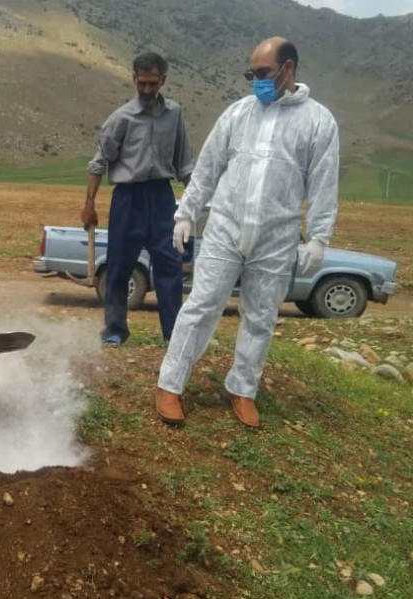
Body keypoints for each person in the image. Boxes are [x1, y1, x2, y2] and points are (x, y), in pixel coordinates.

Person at [155, 38, 339, 428]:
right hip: (225, 226)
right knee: (202, 305)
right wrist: (186, 212)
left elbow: (324, 183)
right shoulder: (239, 113)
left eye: (262, 74)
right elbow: (207, 167)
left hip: (276, 236)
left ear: (288, 68)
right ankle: (169, 384)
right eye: (251, 74)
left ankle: (243, 389)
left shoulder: (319, 122)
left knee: (260, 316)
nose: (255, 82)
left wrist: (319, 236)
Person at [82, 51, 194, 346]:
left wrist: (195, 203)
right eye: (141, 83)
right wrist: (89, 205)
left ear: (163, 81)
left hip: (161, 197)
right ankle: (115, 330)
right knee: (119, 266)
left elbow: (184, 164)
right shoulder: (121, 118)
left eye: (152, 84)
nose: (146, 90)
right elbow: (98, 163)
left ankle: (173, 335)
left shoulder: (175, 114)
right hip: (127, 199)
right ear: (134, 79)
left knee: (169, 264)